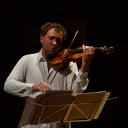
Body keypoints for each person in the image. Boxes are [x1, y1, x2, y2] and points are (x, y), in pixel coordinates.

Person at [4, 22, 94, 128]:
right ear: (41, 38)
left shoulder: (69, 65)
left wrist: (85, 65)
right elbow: (8, 85)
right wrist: (33, 86)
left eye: (58, 41)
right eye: (51, 38)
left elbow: (76, 92)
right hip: (32, 125)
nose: (55, 43)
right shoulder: (27, 60)